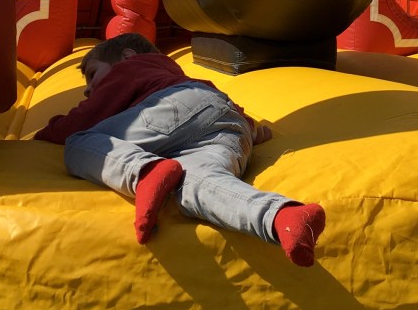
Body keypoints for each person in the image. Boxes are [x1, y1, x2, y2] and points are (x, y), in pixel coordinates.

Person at [34, 32, 325, 264]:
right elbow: (233, 113)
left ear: (126, 57)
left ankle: (143, 171)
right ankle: (281, 217)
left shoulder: (131, 69)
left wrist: (44, 133)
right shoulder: (177, 74)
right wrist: (255, 131)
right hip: (227, 124)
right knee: (196, 185)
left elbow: (83, 118)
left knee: (80, 142)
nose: (88, 88)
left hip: (172, 109)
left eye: (92, 75)